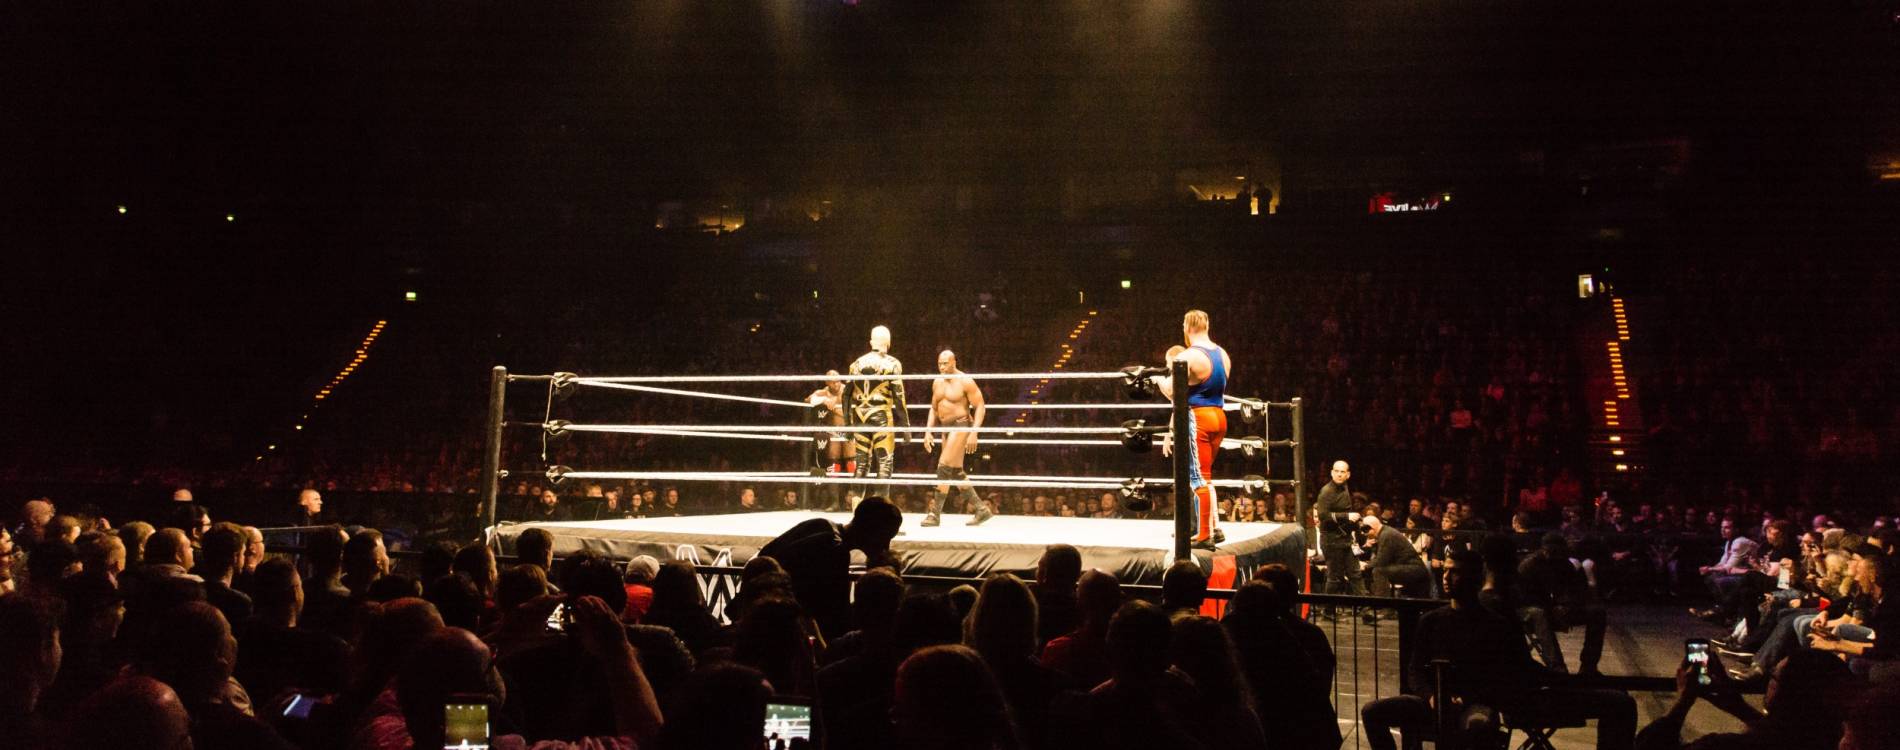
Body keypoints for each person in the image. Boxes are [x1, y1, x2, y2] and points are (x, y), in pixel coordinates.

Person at [761, 497, 904, 640]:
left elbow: (765, 556)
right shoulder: (835, 552)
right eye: (886, 537)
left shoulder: (819, 524)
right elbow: (835, 618)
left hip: (762, 612)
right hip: (778, 629)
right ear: (872, 531)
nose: (886, 545)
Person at [1149, 310, 1230, 549]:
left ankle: (1204, 534)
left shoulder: (1189, 356)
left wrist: (1157, 381)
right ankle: (1208, 530)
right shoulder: (1222, 354)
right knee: (1205, 476)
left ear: (1187, 327)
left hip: (1199, 418)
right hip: (1219, 416)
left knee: (1197, 477)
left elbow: (1174, 391)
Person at [923, 349, 993, 526]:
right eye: (940, 363)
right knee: (955, 472)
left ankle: (935, 513)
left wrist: (974, 432)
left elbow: (980, 406)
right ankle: (981, 509)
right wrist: (928, 430)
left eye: (945, 363)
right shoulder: (937, 382)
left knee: (943, 466)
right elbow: (934, 408)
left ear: (954, 362)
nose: (942, 366)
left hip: (961, 425)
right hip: (945, 428)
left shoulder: (965, 381)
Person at [847, 325, 909, 498]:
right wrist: (906, 427)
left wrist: (847, 424)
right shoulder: (892, 364)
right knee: (884, 461)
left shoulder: (856, 364)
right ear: (888, 343)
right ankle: (880, 511)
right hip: (881, 414)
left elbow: (846, 396)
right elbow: (899, 397)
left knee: (861, 464)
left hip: (860, 415)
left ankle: (857, 511)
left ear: (871, 342)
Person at [1315, 460, 1366, 598]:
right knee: (1335, 577)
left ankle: (1366, 608)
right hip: (1331, 539)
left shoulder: (1345, 487)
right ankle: (1328, 609)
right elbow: (1322, 515)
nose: (1339, 474)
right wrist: (1346, 516)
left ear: (1347, 475)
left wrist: (1355, 527)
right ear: (1331, 473)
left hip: (1346, 538)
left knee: (1355, 573)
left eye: (1342, 472)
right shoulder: (1326, 491)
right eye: (1336, 471)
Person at [1362, 513, 1430, 601]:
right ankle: (1375, 601)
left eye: (1365, 530)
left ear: (1372, 528)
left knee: (1379, 571)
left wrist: (1365, 566)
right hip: (1407, 566)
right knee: (1376, 570)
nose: (1365, 534)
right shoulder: (1384, 533)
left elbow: (1381, 561)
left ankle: (1381, 605)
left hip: (1414, 568)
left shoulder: (1386, 535)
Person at [809, 370, 852, 504]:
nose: (836, 384)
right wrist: (824, 400)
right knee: (834, 465)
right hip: (833, 433)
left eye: (838, 381)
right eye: (833, 382)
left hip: (848, 430)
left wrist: (837, 409)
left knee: (852, 464)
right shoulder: (824, 392)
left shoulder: (847, 389)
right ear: (827, 383)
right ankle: (835, 503)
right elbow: (808, 399)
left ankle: (856, 502)